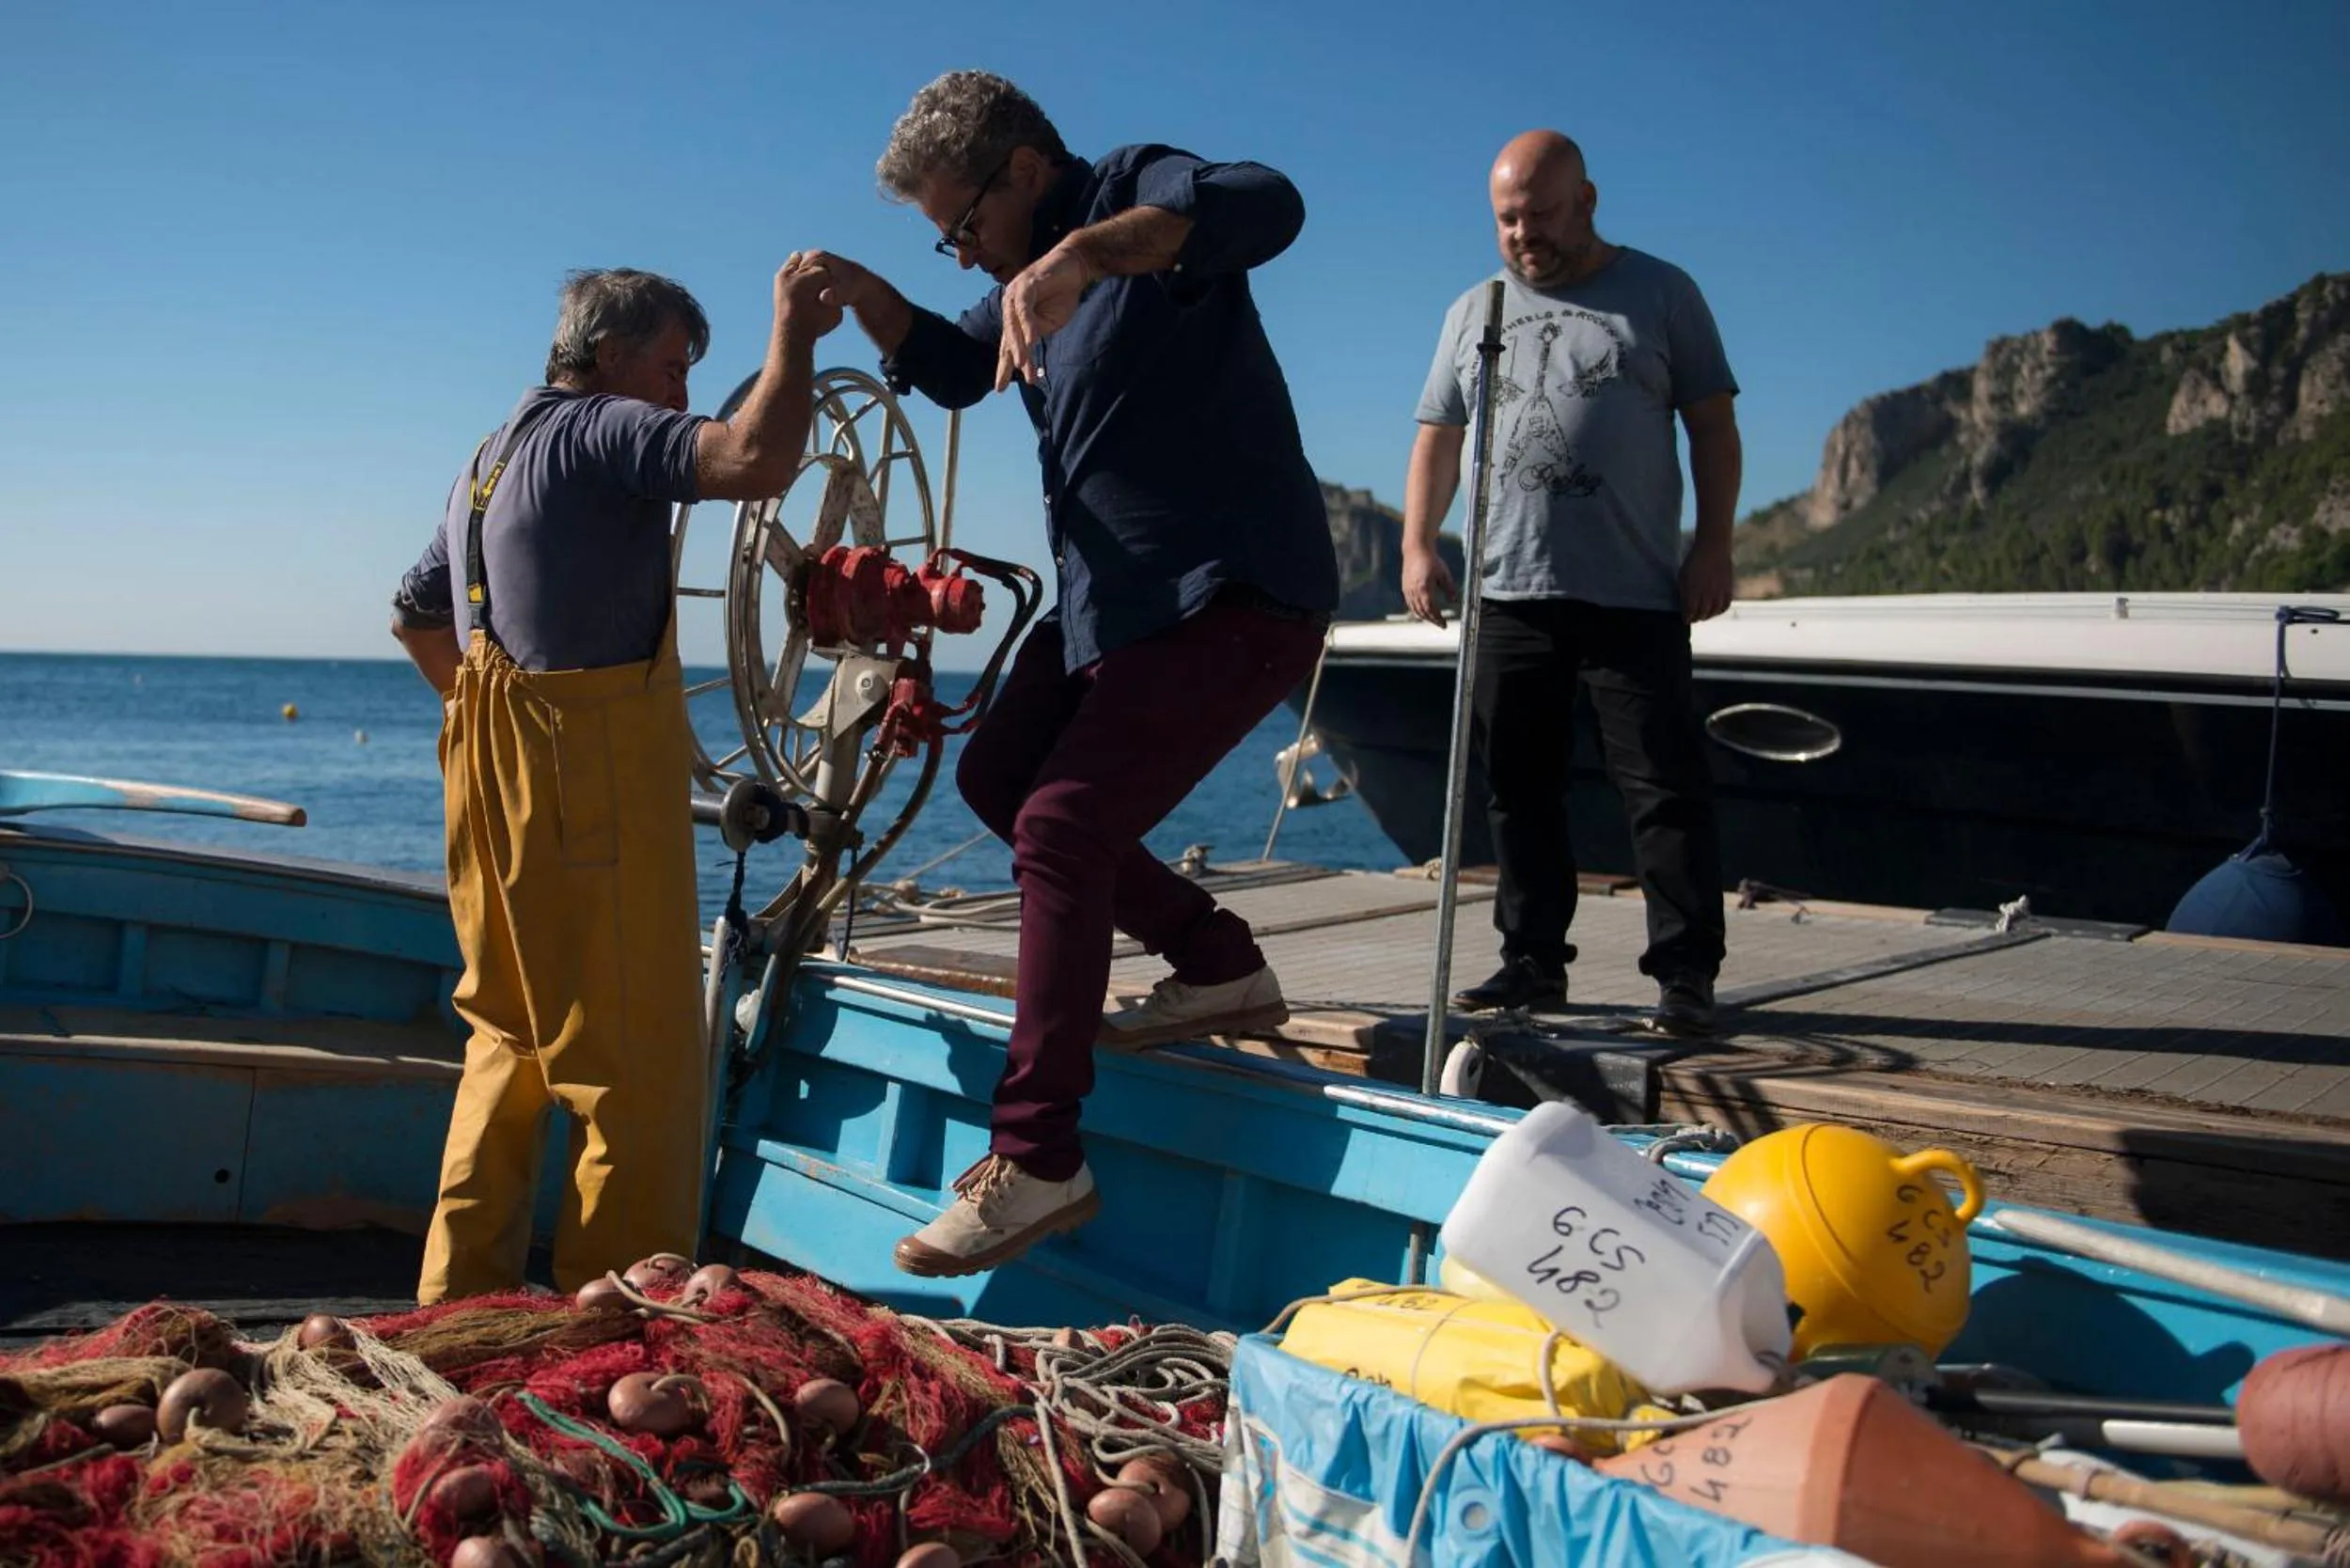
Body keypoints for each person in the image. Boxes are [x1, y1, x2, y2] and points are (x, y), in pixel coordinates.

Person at [800, 70, 1339, 1278]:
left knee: (1063, 823)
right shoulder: (1019, 288)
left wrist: (1090, 254)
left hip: (1231, 586)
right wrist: (867, 292)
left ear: (1027, 171)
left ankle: (1039, 1157)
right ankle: (1218, 965)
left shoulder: (1132, 189)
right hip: (1113, 597)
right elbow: (953, 368)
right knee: (999, 779)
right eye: (939, 238)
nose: (961, 254)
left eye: (962, 226)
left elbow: (1272, 201)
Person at [390, 261, 840, 1303]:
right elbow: (756, 459)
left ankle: (460, 1304)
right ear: (607, 357)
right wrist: (795, 335)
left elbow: (415, 615)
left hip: (485, 793)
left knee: (508, 1038)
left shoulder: (485, 464)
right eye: (674, 367)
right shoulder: (601, 430)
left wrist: (491, 721)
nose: (681, 395)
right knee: (634, 1067)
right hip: (584, 786)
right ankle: (619, 1320)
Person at [1402, 131, 1742, 1036]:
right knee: (1517, 785)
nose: (1524, 234)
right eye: (1507, 219)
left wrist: (1714, 547)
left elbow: (1712, 426)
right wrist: (1416, 545)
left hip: (1635, 591)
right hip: (1509, 589)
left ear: (1586, 201)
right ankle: (1531, 963)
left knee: (1663, 787)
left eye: (1541, 215)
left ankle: (1684, 975)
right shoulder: (1474, 309)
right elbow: (1438, 434)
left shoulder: (1663, 294)